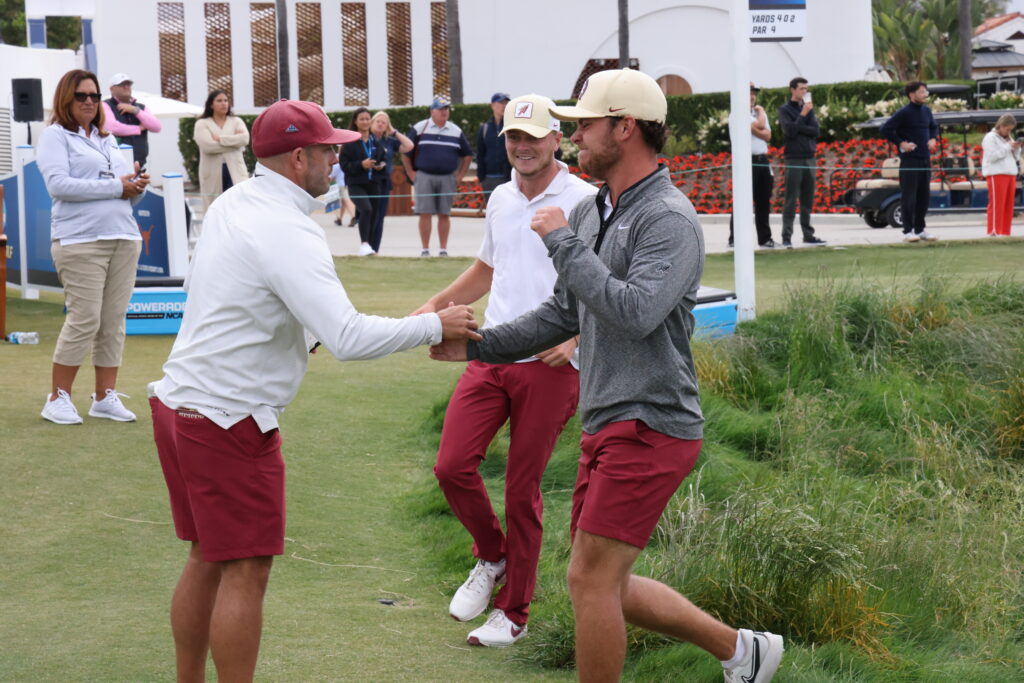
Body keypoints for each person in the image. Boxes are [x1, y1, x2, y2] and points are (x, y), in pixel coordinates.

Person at [429, 68, 783, 682]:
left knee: (590, 578)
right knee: (600, 579)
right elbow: (565, 311)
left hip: (652, 420)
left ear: (625, 128)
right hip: (610, 416)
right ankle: (743, 651)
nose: (577, 138)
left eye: (585, 125)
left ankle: (741, 653)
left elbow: (637, 312)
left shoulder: (668, 218)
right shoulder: (598, 208)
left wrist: (563, 243)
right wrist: (478, 347)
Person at [148, 99, 481, 683]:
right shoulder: (289, 230)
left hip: (178, 404)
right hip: (229, 418)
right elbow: (348, 336)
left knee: (206, 556)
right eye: (330, 149)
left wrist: (306, 340)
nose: (337, 157)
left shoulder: (235, 202)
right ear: (300, 158)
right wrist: (436, 324)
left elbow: (248, 305)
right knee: (245, 571)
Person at [414, 93, 596, 647]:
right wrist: (431, 309)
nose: (522, 147)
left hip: (549, 363)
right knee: (451, 466)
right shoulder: (499, 196)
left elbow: (606, 281)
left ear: (556, 139)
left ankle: (514, 613)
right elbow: (486, 269)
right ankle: (492, 557)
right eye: (513, 138)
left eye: (533, 137)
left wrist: (575, 336)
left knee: (522, 490)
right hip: (493, 353)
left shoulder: (585, 199)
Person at [37, 69, 150, 425]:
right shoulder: (54, 136)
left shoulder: (107, 138)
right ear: (66, 99)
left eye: (93, 95)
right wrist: (119, 187)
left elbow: (120, 190)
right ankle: (57, 398)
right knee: (85, 319)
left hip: (123, 236)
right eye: (81, 95)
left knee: (113, 322)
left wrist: (136, 186)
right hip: (79, 241)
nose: (88, 101)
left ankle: (104, 397)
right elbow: (59, 186)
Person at [402, 95, 473, 257]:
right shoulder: (420, 128)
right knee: (425, 213)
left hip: (447, 176)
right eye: (440, 109)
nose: (444, 112)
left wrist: (460, 175)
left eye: (446, 109)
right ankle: (425, 249)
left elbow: (467, 154)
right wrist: (411, 173)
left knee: (444, 213)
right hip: (424, 175)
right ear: (432, 111)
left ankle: (443, 249)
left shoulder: (455, 131)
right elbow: (405, 152)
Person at [881, 81, 940, 243]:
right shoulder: (904, 112)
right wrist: (901, 143)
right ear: (912, 95)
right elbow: (885, 129)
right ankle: (908, 231)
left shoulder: (926, 111)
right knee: (909, 196)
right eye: (922, 92)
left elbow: (934, 127)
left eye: (925, 91)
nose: (925, 94)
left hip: (924, 159)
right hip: (909, 161)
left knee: (923, 196)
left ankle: (920, 229)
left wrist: (933, 139)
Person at [778, 77, 826, 247]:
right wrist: (803, 115)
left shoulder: (809, 108)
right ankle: (786, 236)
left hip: (809, 157)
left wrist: (801, 125)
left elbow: (815, 131)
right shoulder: (785, 110)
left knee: (807, 198)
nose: (804, 92)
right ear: (792, 89)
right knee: (791, 198)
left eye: (806, 89)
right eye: (801, 88)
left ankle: (808, 234)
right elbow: (789, 131)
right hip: (794, 158)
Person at [729, 83, 775, 249]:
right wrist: (761, 112)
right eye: (749, 93)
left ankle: (765, 238)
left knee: (764, 201)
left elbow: (767, 135)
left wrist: (758, 122)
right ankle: (734, 238)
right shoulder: (737, 114)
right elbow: (761, 127)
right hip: (745, 160)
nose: (752, 96)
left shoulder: (754, 114)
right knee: (742, 200)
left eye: (754, 94)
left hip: (762, 160)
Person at [194, 89, 250, 214]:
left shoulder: (237, 121)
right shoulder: (202, 124)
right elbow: (208, 146)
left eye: (225, 100)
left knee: (238, 205)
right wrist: (236, 144)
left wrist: (221, 139)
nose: (224, 103)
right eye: (219, 101)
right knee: (215, 208)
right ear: (211, 105)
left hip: (236, 170)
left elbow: (245, 139)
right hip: (213, 172)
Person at [339, 107, 385, 255]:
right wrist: (361, 164)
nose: (365, 122)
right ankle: (364, 244)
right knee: (366, 209)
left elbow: (381, 159)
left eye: (367, 119)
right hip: (356, 184)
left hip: (374, 184)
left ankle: (370, 247)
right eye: (362, 119)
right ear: (355, 121)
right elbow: (344, 165)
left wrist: (380, 165)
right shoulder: (350, 142)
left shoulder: (375, 141)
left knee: (375, 215)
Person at [369, 111, 414, 253]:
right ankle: (366, 245)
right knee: (369, 214)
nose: (381, 124)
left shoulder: (389, 141)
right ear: (372, 123)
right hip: (368, 181)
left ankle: (375, 248)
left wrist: (394, 132)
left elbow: (409, 146)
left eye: (384, 122)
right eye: (378, 121)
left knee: (380, 217)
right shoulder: (366, 138)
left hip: (383, 181)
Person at [103, 73, 162, 170]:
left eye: (128, 84)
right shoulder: (105, 105)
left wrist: (135, 110)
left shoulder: (141, 107)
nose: (126, 87)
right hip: (115, 168)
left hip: (140, 166)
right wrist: (138, 128)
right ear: (112, 89)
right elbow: (111, 127)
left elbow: (157, 127)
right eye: (122, 84)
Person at [981, 113, 1019, 237]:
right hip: (996, 173)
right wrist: (1008, 147)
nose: (1008, 132)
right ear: (1001, 125)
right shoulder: (990, 137)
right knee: (997, 204)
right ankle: (993, 232)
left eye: (1010, 130)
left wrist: (1017, 148)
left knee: (1008, 205)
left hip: (1010, 173)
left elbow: (1016, 157)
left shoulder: (1008, 138)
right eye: (1007, 129)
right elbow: (992, 157)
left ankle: (1005, 233)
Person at [476, 92, 513, 204]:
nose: (504, 106)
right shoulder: (485, 128)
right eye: (501, 102)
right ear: (492, 105)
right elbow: (480, 154)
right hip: (489, 178)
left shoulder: (511, 126)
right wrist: (481, 177)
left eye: (506, 103)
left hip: (508, 178)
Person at [329, 161, 357, 226]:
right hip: (349, 183)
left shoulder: (338, 164)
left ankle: (353, 216)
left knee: (346, 200)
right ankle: (339, 219)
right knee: (343, 203)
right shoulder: (350, 162)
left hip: (341, 184)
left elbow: (332, 176)